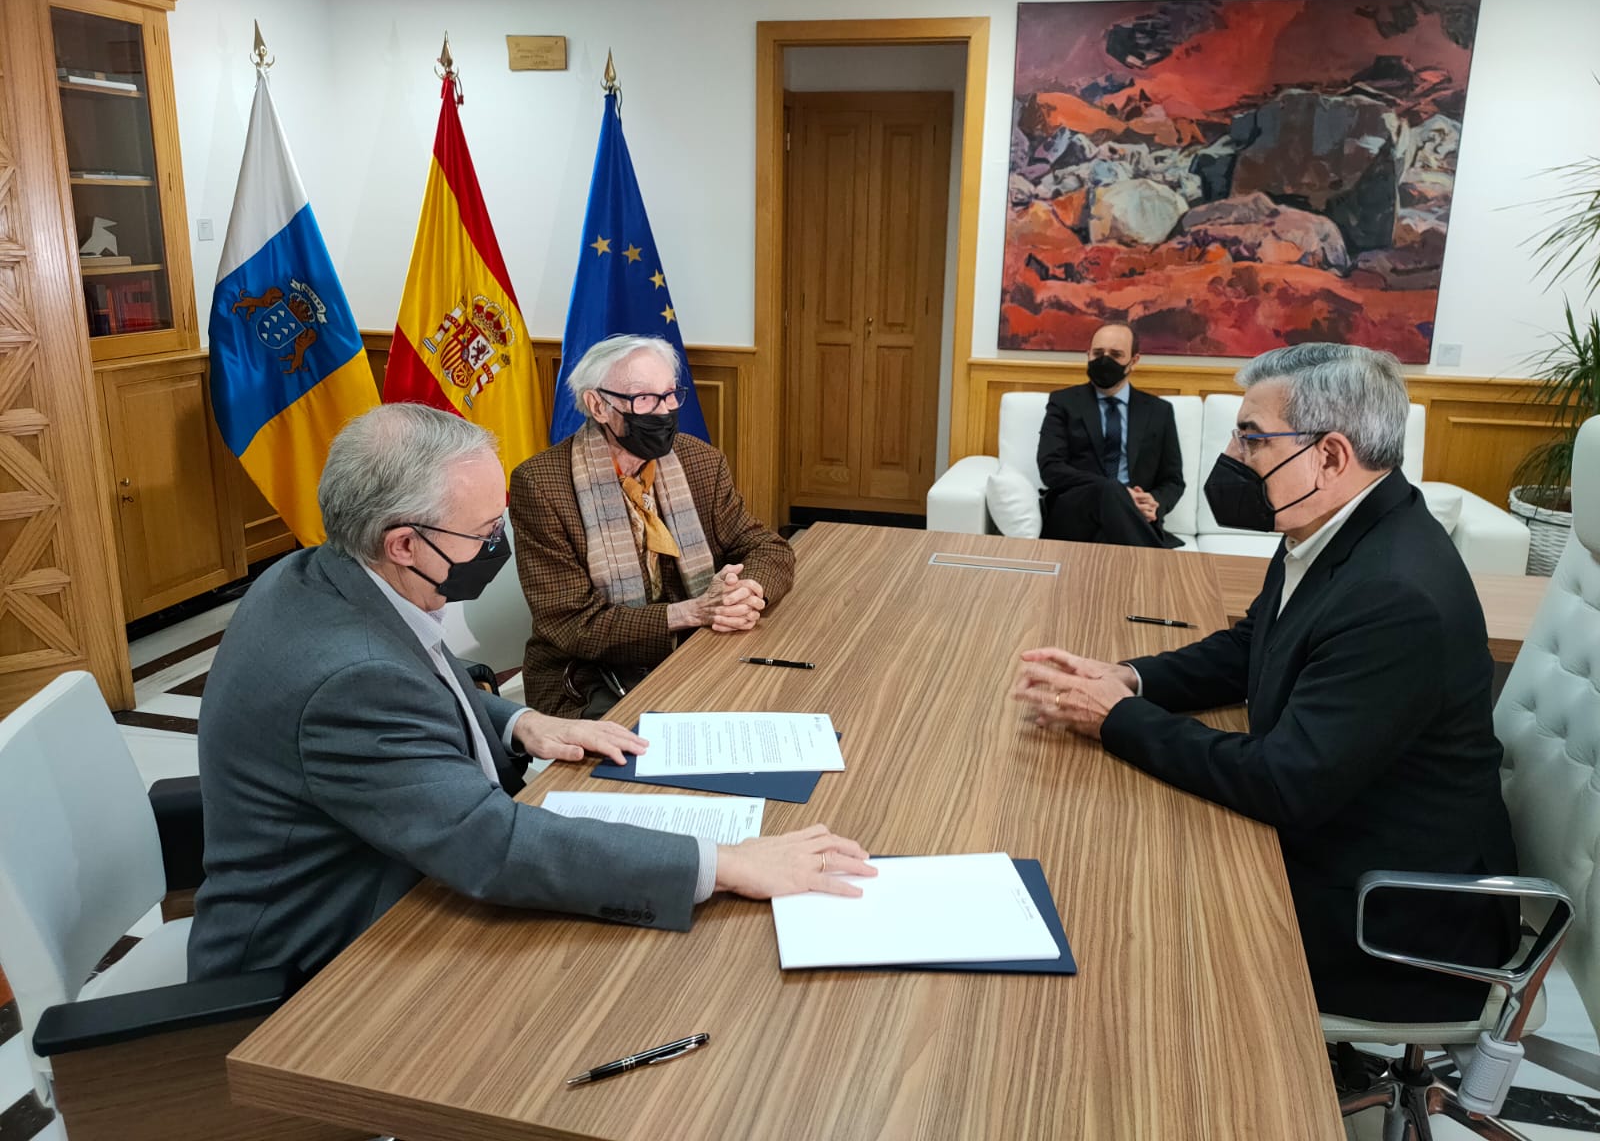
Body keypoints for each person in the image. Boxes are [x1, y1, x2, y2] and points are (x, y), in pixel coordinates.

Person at [188, 404, 869, 981]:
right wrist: (724, 863)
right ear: (402, 543)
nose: (499, 547)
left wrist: (520, 722)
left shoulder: (320, 574)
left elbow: (411, 681)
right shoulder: (350, 676)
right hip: (325, 963)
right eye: (486, 534)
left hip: (406, 872)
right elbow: (492, 846)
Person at [1011, 343, 1518, 1022]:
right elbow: (1254, 641)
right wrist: (1128, 678)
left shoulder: (1398, 594)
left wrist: (1115, 719)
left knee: (1118, 910)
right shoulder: (1334, 524)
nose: (1232, 454)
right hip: (1346, 840)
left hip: (1389, 922)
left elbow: (1284, 782)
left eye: (1251, 437)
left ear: (1331, 456)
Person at [510, 335, 794, 718]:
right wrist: (694, 613)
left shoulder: (699, 461)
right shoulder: (542, 484)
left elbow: (767, 547)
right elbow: (572, 624)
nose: (663, 412)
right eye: (643, 398)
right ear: (598, 405)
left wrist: (744, 592)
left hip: (695, 651)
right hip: (588, 675)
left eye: (670, 395)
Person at [1036, 322, 1185, 548]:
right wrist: (1119, 493)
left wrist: (1154, 503)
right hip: (1075, 512)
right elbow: (1050, 468)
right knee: (1110, 489)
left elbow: (1173, 480)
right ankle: (1159, 565)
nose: (1104, 360)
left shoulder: (1159, 411)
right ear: (1087, 355)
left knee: (1109, 542)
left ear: (1134, 361)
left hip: (1134, 516)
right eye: (1098, 353)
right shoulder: (1063, 403)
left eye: (1116, 355)